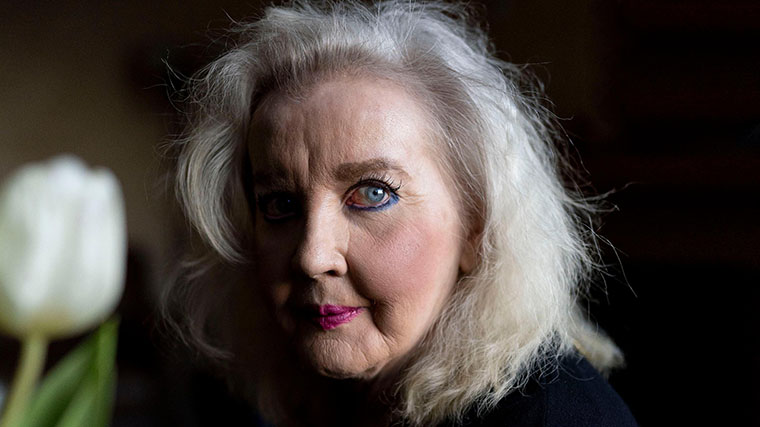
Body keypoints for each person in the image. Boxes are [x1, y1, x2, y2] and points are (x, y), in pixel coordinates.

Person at [162, 1, 637, 425]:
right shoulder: (329, 400)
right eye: (280, 204)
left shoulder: (557, 417)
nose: (312, 257)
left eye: (373, 194)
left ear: (476, 228)